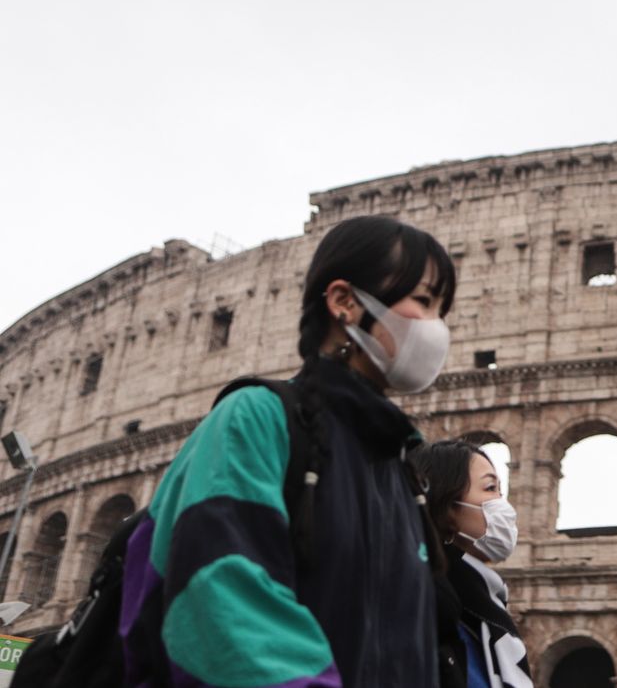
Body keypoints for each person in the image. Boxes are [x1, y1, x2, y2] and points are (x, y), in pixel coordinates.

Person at [119, 215, 457, 688]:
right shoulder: (255, 418)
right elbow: (222, 607)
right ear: (343, 302)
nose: (437, 328)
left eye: (443, 311)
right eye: (423, 301)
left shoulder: (398, 468)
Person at [412, 440, 533, 688]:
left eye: (501, 491)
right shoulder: (423, 610)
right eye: (490, 488)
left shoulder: (485, 608)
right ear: (446, 507)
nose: (504, 505)